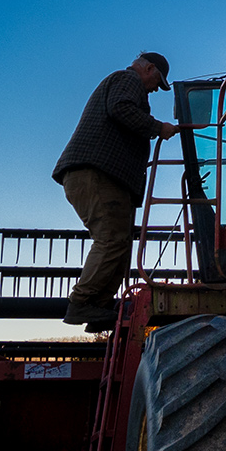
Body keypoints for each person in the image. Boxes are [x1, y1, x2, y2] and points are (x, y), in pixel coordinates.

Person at [53, 53, 180, 330]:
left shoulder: (124, 82)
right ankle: (82, 302)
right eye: (156, 83)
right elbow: (121, 109)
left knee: (120, 242)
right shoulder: (127, 79)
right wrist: (159, 127)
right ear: (148, 68)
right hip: (97, 173)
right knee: (111, 239)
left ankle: (98, 307)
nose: (154, 90)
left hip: (101, 176)